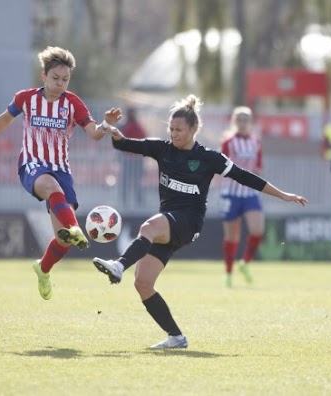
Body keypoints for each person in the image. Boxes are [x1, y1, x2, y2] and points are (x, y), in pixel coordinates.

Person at [92, 94, 308, 349]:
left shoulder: (208, 158)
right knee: (143, 284)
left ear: (194, 129)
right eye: (171, 129)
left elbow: (244, 176)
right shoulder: (162, 149)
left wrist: (282, 195)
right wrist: (111, 130)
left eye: (179, 130)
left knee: (148, 227)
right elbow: (125, 144)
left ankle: (118, 266)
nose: (174, 134)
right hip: (169, 222)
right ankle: (176, 337)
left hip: (189, 222)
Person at [0, 46, 121, 301]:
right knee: (52, 190)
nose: (60, 84)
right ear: (44, 76)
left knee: (63, 241)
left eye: (65, 79)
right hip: (32, 164)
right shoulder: (26, 98)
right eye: (55, 78)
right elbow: (5, 119)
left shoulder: (72, 103)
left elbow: (94, 134)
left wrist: (106, 125)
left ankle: (43, 268)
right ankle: (75, 227)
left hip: (62, 170)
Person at [219, 106, 264, 288]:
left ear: (251, 122)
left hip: (249, 193)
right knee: (232, 235)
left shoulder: (256, 142)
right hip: (230, 193)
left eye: (246, 119)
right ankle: (229, 274)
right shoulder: (228, 142)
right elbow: (221, 166)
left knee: (258, 229)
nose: (243, 123)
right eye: (240, 119)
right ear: (234, 122)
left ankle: (245, 262)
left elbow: (259, 167)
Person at [118, 107, 147, 205]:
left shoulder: (127, 126)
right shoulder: (130, 126)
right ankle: (129, 199)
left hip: (132, 158)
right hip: (132, 158)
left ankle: (132, 199)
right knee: (131, 181)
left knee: (132, 181)